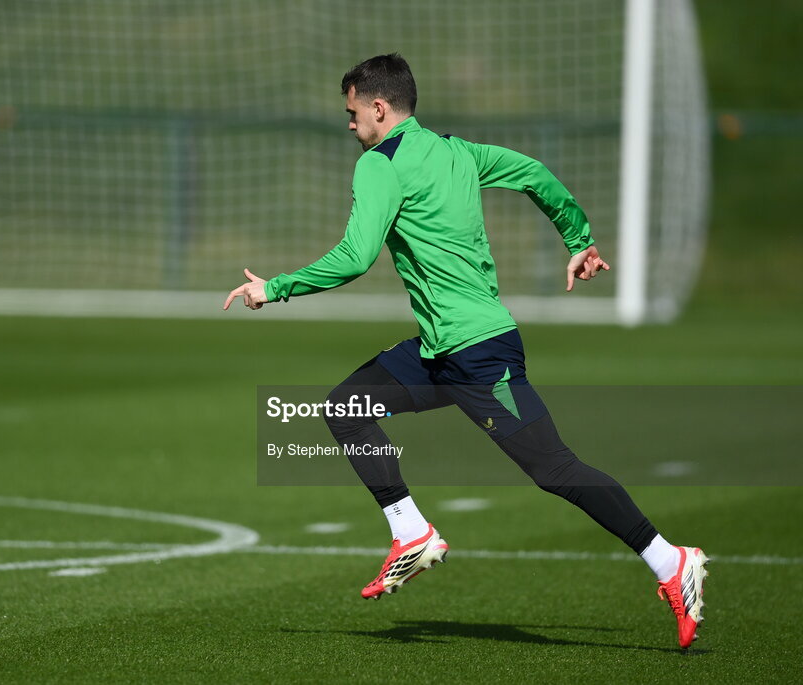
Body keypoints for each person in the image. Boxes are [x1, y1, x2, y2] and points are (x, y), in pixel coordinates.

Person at [223, 54, 708, 649]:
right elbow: (533, 172)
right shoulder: (454, 150)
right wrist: (578, 238)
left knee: (553, 468)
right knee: (347, 405)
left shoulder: (380, 164)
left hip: (480, 356)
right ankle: (412, 533)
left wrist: (272, 288)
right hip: (439, 354)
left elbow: (354, 257)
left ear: (379, 108)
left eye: (352, 114)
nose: (350, 126)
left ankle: (670, 562)